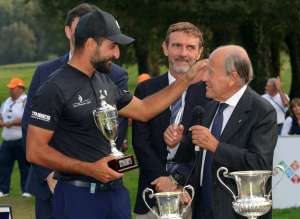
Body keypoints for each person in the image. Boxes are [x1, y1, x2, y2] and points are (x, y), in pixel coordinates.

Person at [26, 9, 207, 219]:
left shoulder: (104, 80)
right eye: (112, 46)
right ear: (91, 44)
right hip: (79, 196)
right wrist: (89, 169)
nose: (117, 54)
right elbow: (34, 151)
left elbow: (145, 110)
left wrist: (186, 80)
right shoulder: (54, 88)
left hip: (115, 194)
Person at [21, 3, 129, 219]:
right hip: (53, 182)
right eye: (81, 27)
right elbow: (29, 128)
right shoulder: (45, 73)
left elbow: (120, 123)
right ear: (69, 31)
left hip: (104, 187)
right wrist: (51, 174)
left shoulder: (112, 73)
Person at [165, 45, 277, 219]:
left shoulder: (261, 111)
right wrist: (177, 143)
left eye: (211, 72)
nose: (204, 79)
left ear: (233, 77)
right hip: (201, 209)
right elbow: (196, 157)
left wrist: (215, 146)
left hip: (237, 212)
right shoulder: (209, 107)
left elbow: (259, 164)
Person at [132, 22, 207, 219]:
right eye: (177, 46)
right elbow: (140, 143)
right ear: (165, 48)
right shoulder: (146, 90)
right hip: (151, 194)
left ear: (199, 52)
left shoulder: (210, 92)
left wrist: (176, 180)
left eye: (190, 47)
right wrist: (163, 180)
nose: (183, 53)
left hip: (193, 197)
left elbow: (207, 146)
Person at [0, 78, 30, 198]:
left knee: (24, 166)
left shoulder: (26, 101)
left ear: (21, 88)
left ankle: (26, 190)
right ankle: (3, 189)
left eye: (13, 88)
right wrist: (2, 122)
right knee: (4, 165)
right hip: (7, 140)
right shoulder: (6, 101)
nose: (11, 90)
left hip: (21, 139)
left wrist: (13, 122)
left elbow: (27, 119)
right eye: (10, 88)